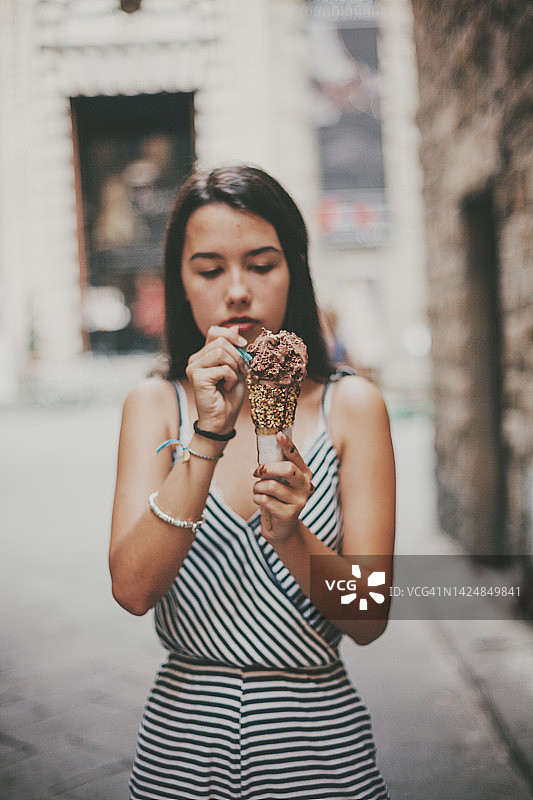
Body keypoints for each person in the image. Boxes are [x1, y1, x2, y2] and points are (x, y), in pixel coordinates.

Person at [109, 164, 395, 800]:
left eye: (261, 265)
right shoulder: (155, 405)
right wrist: (206, 439)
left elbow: (369, 617)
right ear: (181, 283)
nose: (236, 291)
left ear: (295, 270)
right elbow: (132, 589)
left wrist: (290, 532)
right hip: (182, 746)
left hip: (319, 750)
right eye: (210, 270)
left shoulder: (352, 408)